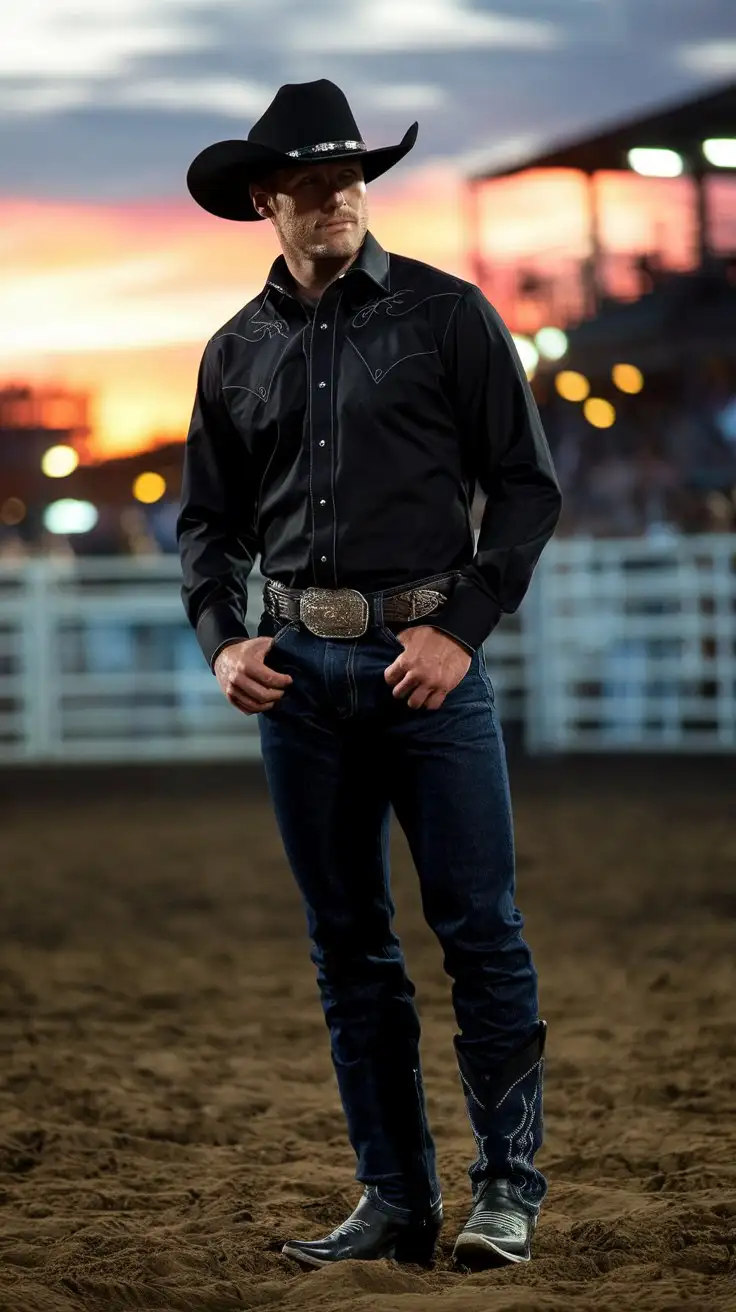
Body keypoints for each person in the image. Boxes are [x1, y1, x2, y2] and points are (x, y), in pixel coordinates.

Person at [177, 79, 562, 1271]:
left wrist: (465, 628)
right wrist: (224, 640)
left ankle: (506, 1190)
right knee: (348, 947)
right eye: (311, 182)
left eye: (350, 178)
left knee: (480, 933)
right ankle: (395, 1196)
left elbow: (528, 488)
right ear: (266, 201)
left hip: (425, 666)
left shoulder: (451, 317)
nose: (337, 197)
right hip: (298, 680)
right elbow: (208, 524)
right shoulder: (234, 352)